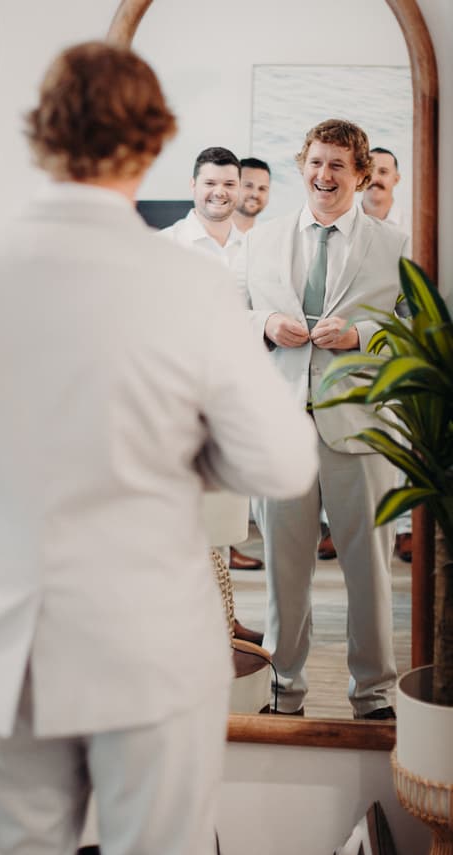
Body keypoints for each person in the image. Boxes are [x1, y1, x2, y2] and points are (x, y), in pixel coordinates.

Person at [0, 42, 318, 855]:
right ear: (153, 143)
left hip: (4, 645)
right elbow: (282, 461)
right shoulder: (194, 289)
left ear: (41, 138)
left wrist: (3, 438)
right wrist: (180, 450)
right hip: (150, 646)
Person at [236, 118, 409, 719]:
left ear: (361, 176)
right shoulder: (260, 240)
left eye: (338, 165)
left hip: (359, 429)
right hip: (279, 429)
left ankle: (375, 696)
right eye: (315, 162)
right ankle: (283, 691)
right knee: (284, 571)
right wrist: (262, 325)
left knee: (369, 571)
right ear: (301, 165)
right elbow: (226, 318)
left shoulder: (396, 244)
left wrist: (362, 334)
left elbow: (420, 333)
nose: (324, 175)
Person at [161, 146, 265, 574]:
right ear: (193, 186)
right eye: (210, 183)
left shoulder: (258, 248)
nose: (219, 193)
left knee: (225, 521)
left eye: (228, 184)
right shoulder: (166, 246)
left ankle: (225, 618)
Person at [362, 146, 412, 563]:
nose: (377, 177)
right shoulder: (349, 226)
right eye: (371, 170)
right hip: (350, 356)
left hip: (397, 352)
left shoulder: (412, 231)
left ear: (396, 178)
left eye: (384, 170)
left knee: (399, 441)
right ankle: (333, 526)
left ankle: (406, 528)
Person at [232, 157, 271, 234]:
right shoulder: (209, 231)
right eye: (248, 185)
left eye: (262, 188)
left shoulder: (269, 236)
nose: (255, 194)